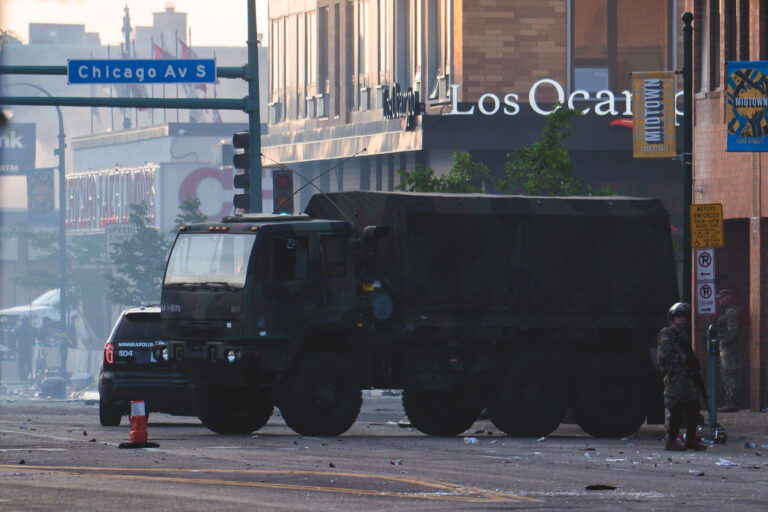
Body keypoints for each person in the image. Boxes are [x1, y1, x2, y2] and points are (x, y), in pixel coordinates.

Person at [657, 302, 707, 451]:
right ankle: (671, 440)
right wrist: (683, 358)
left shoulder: (683, 335)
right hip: (674, 377)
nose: (681, 321)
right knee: (676, 408)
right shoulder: (666, 334)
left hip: (686, 376)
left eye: (683, 317)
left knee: (693, 406)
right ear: (672, 319)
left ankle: (690, 439)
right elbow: (664, 356)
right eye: (678, 317)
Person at [716, 289, 741, 412]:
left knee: (730, 373)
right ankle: (728, 401)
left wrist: (722, 341)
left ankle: (732, 401)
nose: (719, 301)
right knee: (725, 373)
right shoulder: (724, 311)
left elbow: (733, 331)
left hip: (730, 348)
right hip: (724, 347)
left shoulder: (731, 312)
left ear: (727, 298)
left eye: (721, 298)